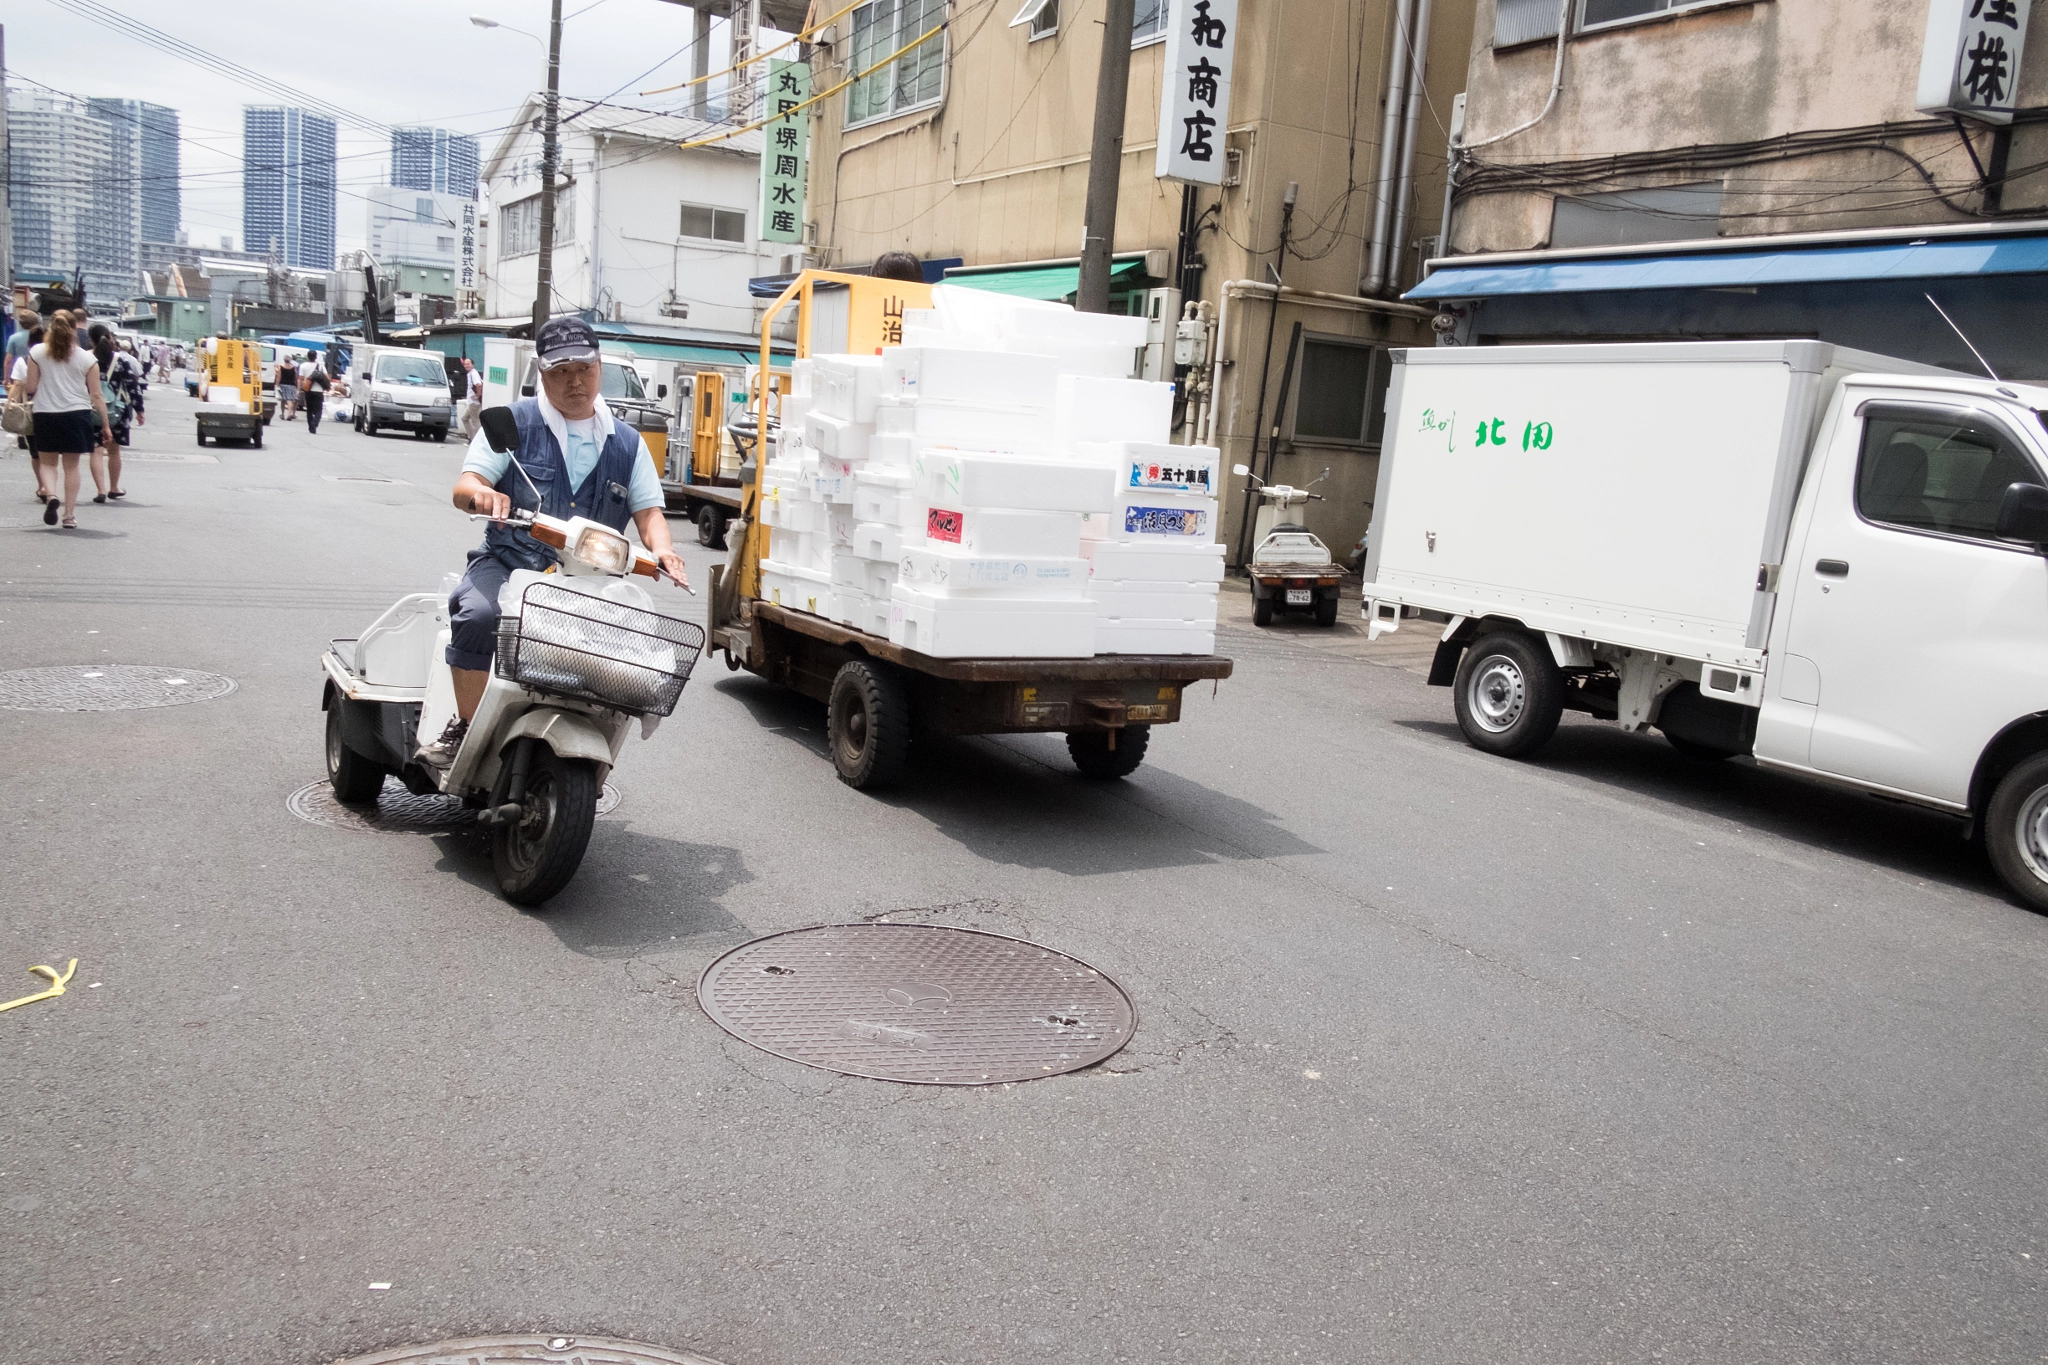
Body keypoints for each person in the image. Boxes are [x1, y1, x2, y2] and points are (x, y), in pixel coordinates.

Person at [427, 316, 689, 763]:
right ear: (542, 372)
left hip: (588, 580)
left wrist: (663, 549)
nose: (575, 382)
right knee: (477, 615)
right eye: (561, 371)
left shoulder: (627, 444)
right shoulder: (512, 423)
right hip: (509, 564)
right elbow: (465, 486)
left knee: (633, 656)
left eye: (584, 369)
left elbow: (648, 513)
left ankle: (581, 744)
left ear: (600, 366)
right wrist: (483, 494)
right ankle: (465, 728)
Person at [22, 312, 111, 529]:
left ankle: (52, 495)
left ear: (51, 327)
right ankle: (69, 515)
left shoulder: (37, 352)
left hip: (45, 413)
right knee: (72, 467)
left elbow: (31, 387)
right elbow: (96, 395)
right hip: (77, 415)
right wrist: (106, 425)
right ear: (75, 329)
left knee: (47, 463)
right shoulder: (88, 359)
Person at [10, 324, 49, 504]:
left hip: (30, 409)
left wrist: (10, 402)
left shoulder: (23, 360)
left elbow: (17, 385)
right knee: (49, 450)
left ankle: (42, 485)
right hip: (51, 407)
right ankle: (50, 487)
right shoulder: (52, 358)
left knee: (35, 452)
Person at [459, 357, 483, 440]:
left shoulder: (473, 373)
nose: (466, 366)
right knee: (464, 418)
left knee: (475, 421)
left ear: (472, 365)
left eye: (468, 364)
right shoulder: (470, 373)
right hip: (471, 401)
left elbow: (479, 384)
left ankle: (476, 440)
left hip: (474, 402)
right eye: (465, 364)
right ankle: (471, 437)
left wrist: (477, 395)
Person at [303, 361, 330, 434]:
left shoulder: (303, 366)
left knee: (309, 410)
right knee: (319, 410)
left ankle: (310, 426)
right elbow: (327, 377)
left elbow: (300, 378)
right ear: (315, 357)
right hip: (319, 392)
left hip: (308, 391)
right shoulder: (321, 367)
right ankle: (314, 424)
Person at [276, 353, 299, 422]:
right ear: (290, 360)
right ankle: (289, 414)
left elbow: (278, 377)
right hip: (291, 385)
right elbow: (296, 377)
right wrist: (296, 385)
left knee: (283, 400)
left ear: (284, 359)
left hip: (282, 384)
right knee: (290, 400)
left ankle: (282, 414)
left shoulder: (281, 367)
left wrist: (277, 385)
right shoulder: (293, 368)